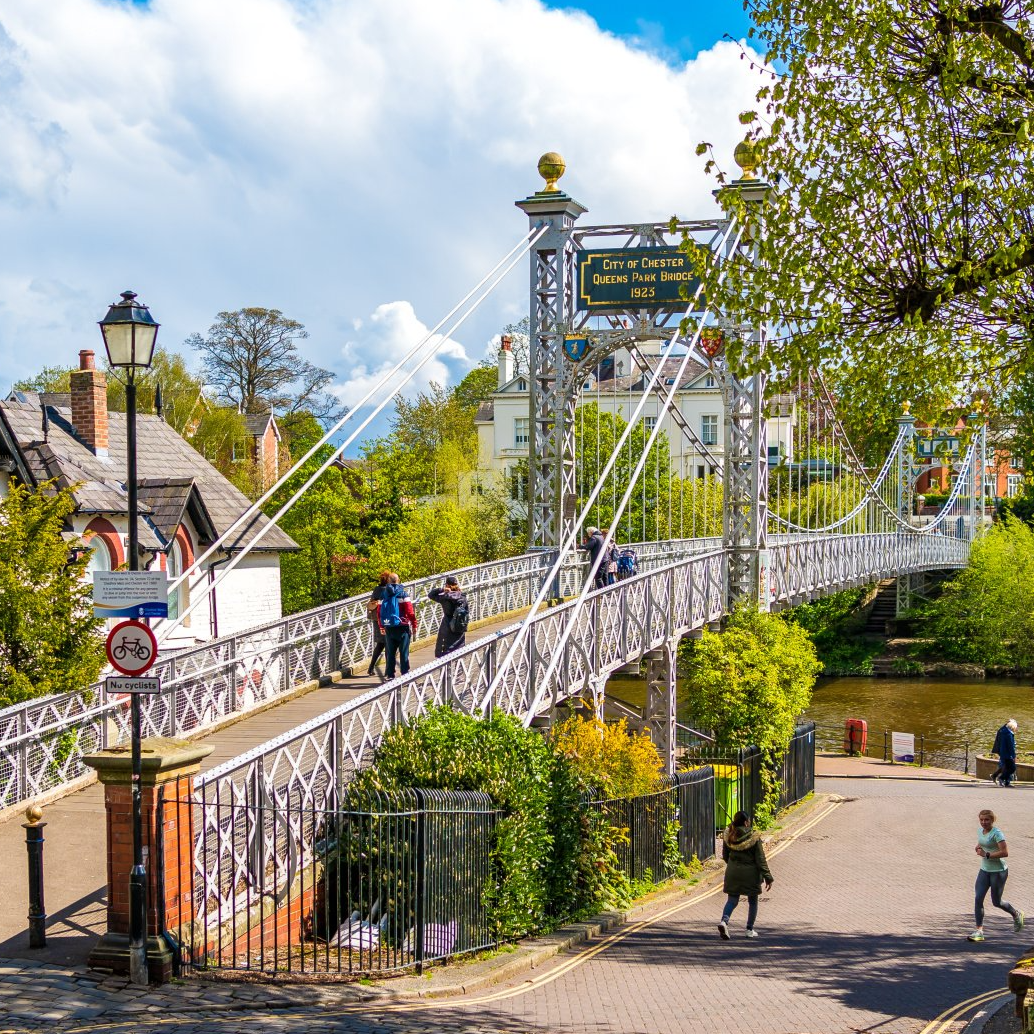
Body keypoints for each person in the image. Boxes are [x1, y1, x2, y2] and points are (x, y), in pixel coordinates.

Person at [968, 808, 1024, 941]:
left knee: (996, 902)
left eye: (986, 819)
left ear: (992, 820)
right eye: (981, 820)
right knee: (978, 899)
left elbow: (1005, 852)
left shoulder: (997, 833)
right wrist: (978, 846)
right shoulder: (980, 831)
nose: (983, 822)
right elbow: (983, 841)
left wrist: (986, 855)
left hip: (998, 872)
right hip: (984, 870)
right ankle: (979, 931)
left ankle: (1016, 914)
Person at [718, 811, 773, 940]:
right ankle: (749, 929)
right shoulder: (753, 837)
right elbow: (760, 859)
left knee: (732, 900)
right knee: (753, 901)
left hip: (733, 872)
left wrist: (734, 865)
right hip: (751, 874)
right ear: (745, 822)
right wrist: (768, 877)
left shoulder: (728, 835)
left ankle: (724, 922)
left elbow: (725, 857)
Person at [381, 573, 418, 680]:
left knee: (390, 652)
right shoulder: (403, 594)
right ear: (399, 580)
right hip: (402, 626)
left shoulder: (384, 594)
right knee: (404, 651)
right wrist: (414, 624)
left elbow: (380, 611)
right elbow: (409, 611)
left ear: (388, 581)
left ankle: (390, 674)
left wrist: (381, 626)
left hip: (389, 626)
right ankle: (405, 673)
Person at [428, 575, 469, 657]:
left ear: (447, 586)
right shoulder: (463, 597)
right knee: (459, 651)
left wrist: (442, 589)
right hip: (459, 627)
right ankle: (460, 669)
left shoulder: (445, 598)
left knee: (445, 652)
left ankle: (446, 669)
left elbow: (431, 595)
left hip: (447, 626)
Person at [366, 571, 390, 676]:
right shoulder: (389, 590)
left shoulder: (377, 589)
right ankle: (387, 670)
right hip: (386, 620)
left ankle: (371, 668)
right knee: (388, 644)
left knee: (380, 644)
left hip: (377, 619)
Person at [991, 720, 1019, 787]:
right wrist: (1014, 756)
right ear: (1013, 727)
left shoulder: (1003, 731)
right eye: (1015, 727)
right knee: (1012, 768)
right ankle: (1001, 778)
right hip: (1007, 754)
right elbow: (1010, 746)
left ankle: (1000, 779)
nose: (1016, 729)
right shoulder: (1008, 734)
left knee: (1006, 767)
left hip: (1003, 752)